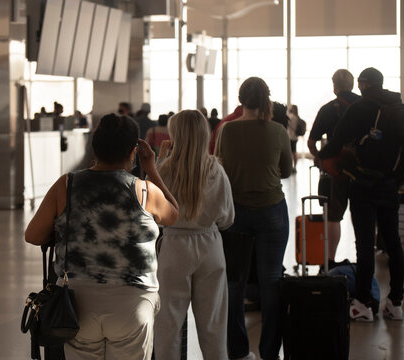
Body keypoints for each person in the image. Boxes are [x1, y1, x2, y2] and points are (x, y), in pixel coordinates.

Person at [24, 113, 179, 360]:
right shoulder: (144, 190)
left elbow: (33, 235)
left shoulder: (67, 185)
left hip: (76, 305)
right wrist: (151, 169)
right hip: (133, 303)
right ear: (133, 151)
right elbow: (173, 215)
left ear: (95, 147)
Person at [317, 67, 404, 322]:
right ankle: (395, 302)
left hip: (362, 184)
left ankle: (364, 303)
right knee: (393, 242)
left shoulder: (360, 109)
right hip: (390, 185)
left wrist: (324, 159)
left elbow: (336, 143)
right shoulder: (399, 108)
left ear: (361, 84)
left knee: (364, 244)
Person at [215, 77, 292, 360]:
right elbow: (286, 170)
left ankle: (238, 351)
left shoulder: (226, 130)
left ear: (241, 99)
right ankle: (270, 352)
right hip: (272, 209)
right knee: (271, 280)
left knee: (235, 283)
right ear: (266, 100)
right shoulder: (277, 130)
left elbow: (220, 169)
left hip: (235, 213)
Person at [154, 110, 235, 360]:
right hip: (209, 245)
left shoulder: (165, 170)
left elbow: (153, 212)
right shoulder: (216, 170)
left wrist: (159, 160)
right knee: (213, 326)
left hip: (174, 247)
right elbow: (228, 218)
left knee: (167, 325)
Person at [307, 69, 361, 268]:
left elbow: (312, 141)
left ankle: (329, 260)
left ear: (335, 86)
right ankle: (364, 258)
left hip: (335, 169)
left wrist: (319, 159)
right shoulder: (365, 107)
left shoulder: (328, 109)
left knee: (334, 215)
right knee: (362, 213)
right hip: (361, 170)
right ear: (353, 84)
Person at [287, 104, 303, 173]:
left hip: (291, 137)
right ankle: (294, 167)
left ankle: (291, 167)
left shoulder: (291, 117)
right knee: (294, 152)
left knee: (291, 153)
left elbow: (287, 122)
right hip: (295, 137)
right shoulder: (297, 117)